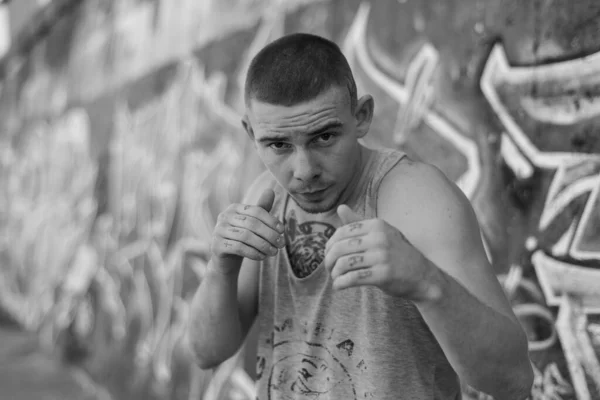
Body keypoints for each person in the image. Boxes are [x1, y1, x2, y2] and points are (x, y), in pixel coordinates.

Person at [188, 33, 533, 400]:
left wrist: (425, 282)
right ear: (250, 133)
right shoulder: (266, 197)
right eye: (278, 145)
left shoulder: (415, 197)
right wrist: (220, 269)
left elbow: (512, 380)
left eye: (323, 137)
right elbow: (207, 352)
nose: (303, 170)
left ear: (362, 116)